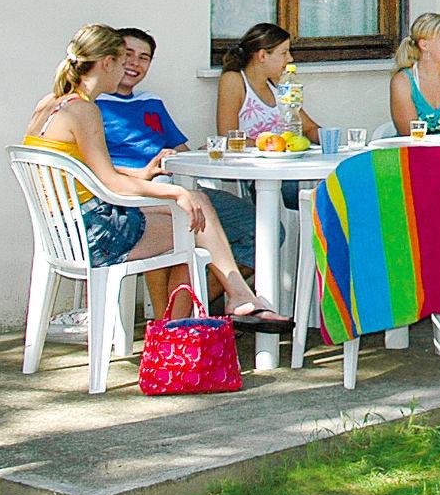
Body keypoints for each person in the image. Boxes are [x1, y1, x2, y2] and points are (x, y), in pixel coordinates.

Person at [23, 24, 290, 330]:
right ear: (107, 63)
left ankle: (228, 303)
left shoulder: (49, 104)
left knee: (197, 205)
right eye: (124, 61)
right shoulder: (84, 111)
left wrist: (144, 175)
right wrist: (175, 193)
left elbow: (84, 170)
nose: (129, 68)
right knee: (194, 223)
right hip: (93, 232)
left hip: (66, 228)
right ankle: (184, 328)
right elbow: (110, 181)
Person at [93, 26, 258, 319]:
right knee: (189, 228)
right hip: (137, 195)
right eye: (127, 55)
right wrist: (143, 172)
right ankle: (175, 324)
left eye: (143, 58)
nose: (134, 63)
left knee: (258, 227)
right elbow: (95, 166)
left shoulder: (151, 102)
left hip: (179, 187)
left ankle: (184, 314)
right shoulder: (93, 105)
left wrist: (205, 150)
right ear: (111, 58)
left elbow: (181, 150)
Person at [216, 22, 320, 143]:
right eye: (284, 53)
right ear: (262, 56)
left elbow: (309, 128)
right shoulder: (234, 80)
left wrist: (328, 139)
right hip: (249, 160)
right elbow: (228, 137)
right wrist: (274, 145)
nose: (290, 59)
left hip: (282, 158)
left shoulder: (277, 82)